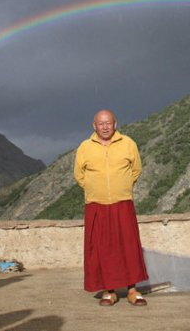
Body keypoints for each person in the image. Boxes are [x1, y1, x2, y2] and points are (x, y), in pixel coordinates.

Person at [73, 109, 149, 306]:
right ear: (94, 126)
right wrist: (93, 188)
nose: (105, 127)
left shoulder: (128, 144)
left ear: (115, 124)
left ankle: (133, 291)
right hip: (96, 205)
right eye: (101, 123)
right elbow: (79, 175)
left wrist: (121, 186)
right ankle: (109, 291)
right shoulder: (85, 147)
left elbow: (136, 170)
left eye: (108, 123)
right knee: (102, 248)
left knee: (128, 246)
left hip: (122, 203)